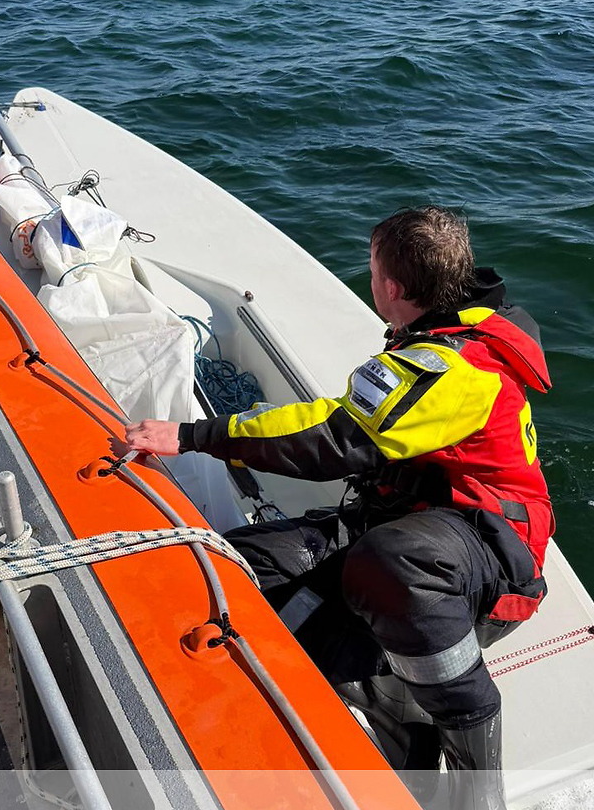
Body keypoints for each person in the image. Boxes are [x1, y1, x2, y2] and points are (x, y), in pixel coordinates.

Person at [125, 206, 552, 810]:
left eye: (374, 268)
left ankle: (474, 783)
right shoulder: (447, 340)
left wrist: (194, 436)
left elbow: (334, 437)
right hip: (415, 526)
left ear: (393, 287)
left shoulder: (453, 367)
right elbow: (339, 421)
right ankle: (390, 710)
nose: (370, 278)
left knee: (391, 561)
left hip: (489, 558)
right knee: (240, 564)